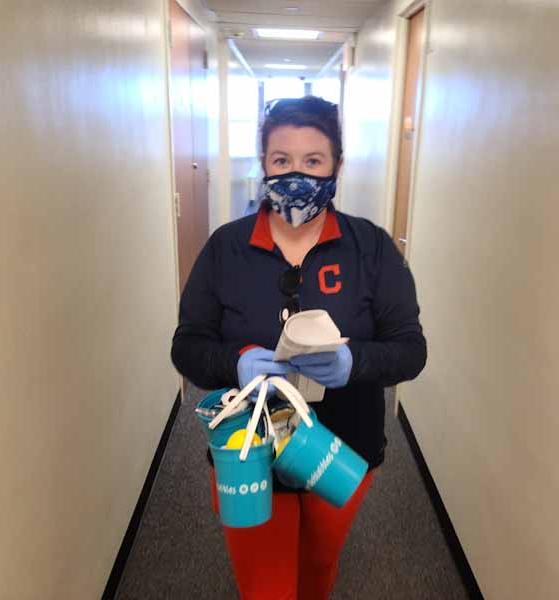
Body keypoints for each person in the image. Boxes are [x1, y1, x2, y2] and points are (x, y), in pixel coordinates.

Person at [171, 95, 427, 599]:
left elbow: (410, 350)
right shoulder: (227, 247)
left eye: (313, 161)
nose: (297, 175)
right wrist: (236, 362)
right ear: (263, 165)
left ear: (337, 166)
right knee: (265, 587)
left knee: (317, 571)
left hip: (342, 443)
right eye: (281, 161)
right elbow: (188, 347)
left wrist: (354, 362)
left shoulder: (370, 247)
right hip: (248, 449)